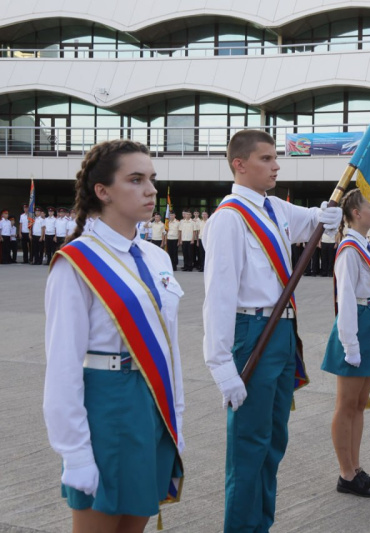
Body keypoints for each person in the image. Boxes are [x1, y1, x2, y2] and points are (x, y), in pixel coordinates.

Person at [202, 129, 341, 532]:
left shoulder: (274, 207)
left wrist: (327, 216)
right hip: (252, 330)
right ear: (239, 165)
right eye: (266, 159)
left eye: (276, 157)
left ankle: (260, 524)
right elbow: (218, 296)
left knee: (274, 442)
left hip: (282, 331)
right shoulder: (229, 219)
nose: (276, 166)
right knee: (250, 445)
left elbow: (312, 222)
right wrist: (221, 365)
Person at [43, 139, 185, 532]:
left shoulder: (156, 256)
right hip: (106, 406)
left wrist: (177, 417)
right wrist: (74, 453)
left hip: (152, 402)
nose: (150, 190)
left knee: (135, 524)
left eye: (151, 179)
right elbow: (62, 365)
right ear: (102, 191)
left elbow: (169, 345)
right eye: (136, 180)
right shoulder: (76, 263)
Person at [321, 188, 370, 498]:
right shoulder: (349, 250)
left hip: (369, 322)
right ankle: (345, 473)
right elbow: (345, 298)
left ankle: (356, 468)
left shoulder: (366, 246)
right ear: (357, 214)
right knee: (346, 404)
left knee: (360, 404)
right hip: (356, 324)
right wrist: (350, 344)